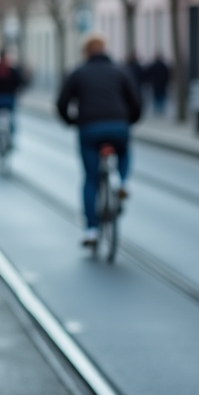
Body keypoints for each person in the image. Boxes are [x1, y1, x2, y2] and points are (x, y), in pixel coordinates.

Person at [57, 34, 142, 248]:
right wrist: (128, 121)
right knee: (123, 151)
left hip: (89, 128)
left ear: (85, 52)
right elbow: (137, 103)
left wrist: (72, 121)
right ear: (105, 49)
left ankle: (91, 231)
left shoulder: (78, 73)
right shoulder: (121, 71)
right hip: (118, 125)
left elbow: (61, 103)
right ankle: (123, 182)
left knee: (90, 179)